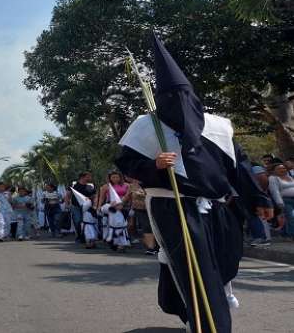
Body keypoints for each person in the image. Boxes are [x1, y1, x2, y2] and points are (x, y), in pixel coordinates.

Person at [115, 34, 270, 333]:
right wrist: (155, 166)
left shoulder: (218, 126)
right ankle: (212, 327)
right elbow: (127, 163)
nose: (179, 105)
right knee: (196, 270)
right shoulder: (147, 126)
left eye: (184, 97)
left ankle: (203, 318)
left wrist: (259, 200)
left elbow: (240, 167)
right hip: (172, 208)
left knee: (220, 267)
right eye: (171, 99)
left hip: (218, 209)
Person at [124, 176, 158, 254]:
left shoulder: (151, 182)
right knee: (146, 227)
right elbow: (127, 196)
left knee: (156, 227)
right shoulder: (132, 186)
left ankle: (158, 246)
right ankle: (151, 248)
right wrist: (119, 204)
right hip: (140, 209)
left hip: (154, 208)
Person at [67, 172, 96, 243]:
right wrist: (67, 203)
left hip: (87, 207)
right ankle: (79, 236)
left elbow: (94, 195)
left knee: (86, 221)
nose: (90, 178)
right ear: (83, 177)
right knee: (77, 221)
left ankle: (85, 236)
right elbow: (68, 195)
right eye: (88, 176)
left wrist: (93, 201)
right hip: (75, 206)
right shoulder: (74, 185)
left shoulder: (90, 186)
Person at [268, 161, 294, 241]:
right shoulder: (273, 178)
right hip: (284, 200)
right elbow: (275, 191)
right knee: (290, 217)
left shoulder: (289, 177)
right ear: (274, 171)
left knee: (290, 217)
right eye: (279, 168)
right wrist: (280, 203)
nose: (283, 170)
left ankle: (285, 234)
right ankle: (290, 235)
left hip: (292, 199)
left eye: (284, 168)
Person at [101, 185, 130, 253]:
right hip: (113, 228)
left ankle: (121, 247)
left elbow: (130, 214)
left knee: (122, 239)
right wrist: (111, 205)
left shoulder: (124, 211)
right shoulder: (109, 209)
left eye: (120, 205)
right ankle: (115, 246)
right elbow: (102, 209)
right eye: (117, 205)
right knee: (113, 239)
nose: (119, 206)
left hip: (121, 228)